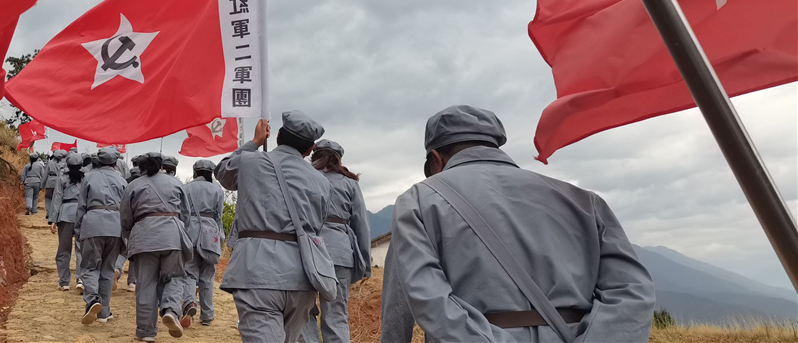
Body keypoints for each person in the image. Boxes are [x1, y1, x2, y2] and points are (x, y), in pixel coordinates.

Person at [380, 105, 655, 342]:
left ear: (436, 159)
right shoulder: (583, 201)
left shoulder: (418, 200)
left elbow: (430, 302)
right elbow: (632, 291)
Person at [215, 111, 331, 343]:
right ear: (310, 149)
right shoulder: (322, 182)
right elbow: (317, 228)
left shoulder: (250, 161)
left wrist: (255, 143)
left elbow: (223, 172)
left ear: (277, 136)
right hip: (303, 277)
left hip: (257, 271)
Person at [299, 139, 370, 343]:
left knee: (304, 312)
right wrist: (364, 264)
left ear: (314, 156)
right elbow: (362, 226)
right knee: (336, 315)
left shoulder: (304, 178)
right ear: (338, 159)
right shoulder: (349, 183)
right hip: (340, 253)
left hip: (307, 251)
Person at [120, 152, 193, 341]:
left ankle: (146, 332)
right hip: (173, 236)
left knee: (145, 284)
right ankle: (170, 310)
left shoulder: (133, 185)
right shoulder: (176, 183)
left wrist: (130, 236)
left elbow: (126, 219)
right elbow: (186, 216)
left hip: (143, 237)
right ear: (161, 166)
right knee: (175, 278)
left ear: (140, 168)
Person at [74, 148, 128, 324]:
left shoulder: (89, 177)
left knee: (89, 267)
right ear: (115, 163)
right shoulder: (122, 180)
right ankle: (104, 313)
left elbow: (81, 206)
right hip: (115, 227)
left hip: (93, 225)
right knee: (107, 270)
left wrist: (78, 230)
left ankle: (93, 299)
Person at [181, 159, 224, 327]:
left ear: (195, 172)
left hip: (190, 232)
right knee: (208, 276)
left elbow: (183, 214)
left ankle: (190, 303)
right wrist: (219, 238)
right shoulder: (217, 190)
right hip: (210, 234)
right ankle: (207, 315)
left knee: (189, 272)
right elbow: (218, 216)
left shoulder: (186, 188)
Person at [48, 152, 89, 293]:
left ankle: (64, 281)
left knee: (64, 250)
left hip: (65, 215)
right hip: (82, 215)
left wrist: (53, 219)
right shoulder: (86, 178)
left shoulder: (62, 178)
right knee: (81, 249)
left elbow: (57, 198)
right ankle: (81, 279)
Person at [44, 150, 66, 220]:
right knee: (57, 198)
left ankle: (49, 212)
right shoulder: (64, 164)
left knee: (48, 198)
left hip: (50, 181)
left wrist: (42, 185)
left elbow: (45, 174)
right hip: (59, 181)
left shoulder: (50, 163)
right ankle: (55, 213)